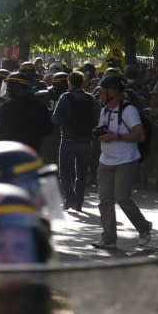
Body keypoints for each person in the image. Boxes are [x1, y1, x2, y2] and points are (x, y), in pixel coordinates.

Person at [92, 75, 152, 249]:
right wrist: (99, 133)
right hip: (106, 161)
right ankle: (109, 239)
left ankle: (144, 227)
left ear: (112, 92)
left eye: (102, 90)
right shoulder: (105, 110)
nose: (100, 93)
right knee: (105, 201)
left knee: (122, 198)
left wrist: (116, 136)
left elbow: (140, 135)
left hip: (126, 160)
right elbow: (104, 131)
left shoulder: (128, 110)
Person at [52, 71, 99, 211]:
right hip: (85, 140)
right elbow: (97, 117)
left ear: (69, 82)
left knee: (64, 171)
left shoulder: (65, 97)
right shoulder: (90, 98)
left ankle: (70, 198)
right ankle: (78, 202)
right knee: (82, 173)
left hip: (68, 139)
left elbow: (55, 119)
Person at [0, 72, 53, 153]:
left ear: (13, 87)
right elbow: (48, 129)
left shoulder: (6, 108)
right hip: (33, 152)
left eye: (8, 86)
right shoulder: (39, 105)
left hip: (12, 153)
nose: (7, 89)